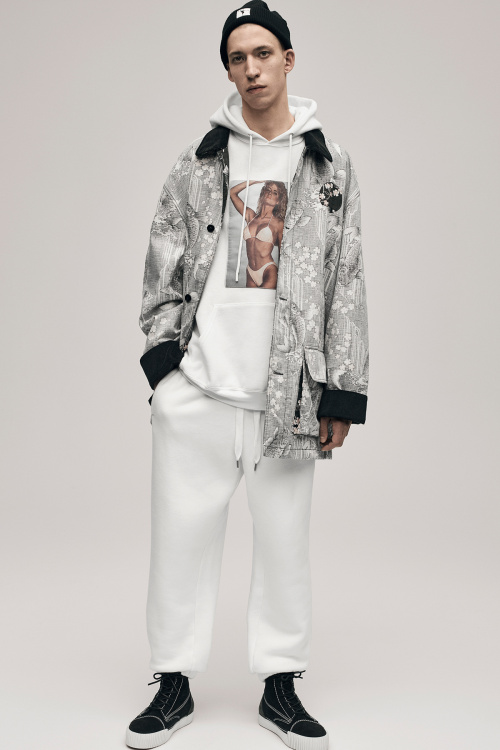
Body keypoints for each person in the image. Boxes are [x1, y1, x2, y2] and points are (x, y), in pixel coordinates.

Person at [126, 2, 369, 748]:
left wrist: (341, 391)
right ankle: (172, 682)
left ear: (288, 59)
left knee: (286, 546)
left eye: (263, 53)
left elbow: (347, 278)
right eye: (238, 58)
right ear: (228, 70)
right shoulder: (199, 161)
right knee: (179, 542)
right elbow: (162, 255)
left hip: (287, 398)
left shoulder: (329, 165)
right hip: (200, 388)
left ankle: (280, 686)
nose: (252, 69)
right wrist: (165, 369)